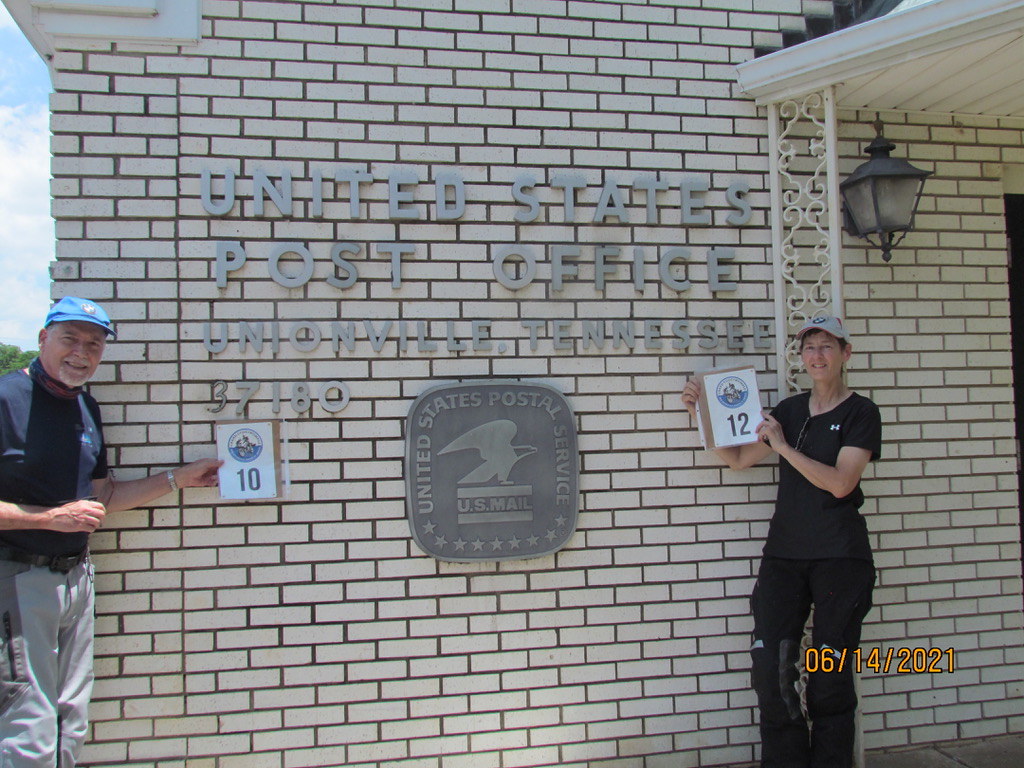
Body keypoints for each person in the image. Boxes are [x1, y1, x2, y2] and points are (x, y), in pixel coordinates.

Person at [0, 297, 222, 767]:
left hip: (76, 580)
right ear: (43, 338)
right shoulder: (5, 400)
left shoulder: (86, 409)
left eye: (94, 345)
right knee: (27, 724)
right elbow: (63, 512)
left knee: (70, 717)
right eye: (70, 340)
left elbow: (102, 499)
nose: (82, 353)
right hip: (18, 581)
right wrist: (46, 518)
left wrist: (179, 479)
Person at [681, 316, 881, 768]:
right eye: (809, 348)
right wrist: (700, 412)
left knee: (828, 677)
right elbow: (737, 461)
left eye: (827, 346)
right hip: (784, 557)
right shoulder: (789, 411)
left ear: (845, 353)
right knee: (770, 670)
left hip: (840, 557)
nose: (817, 356)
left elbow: (841, 484)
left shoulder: (861, 412)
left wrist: (785, 448)